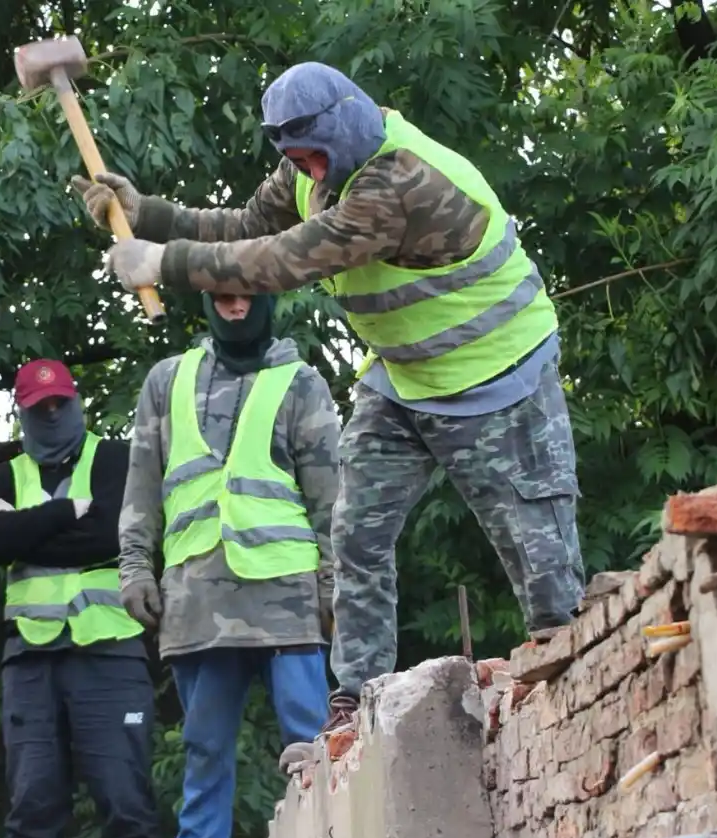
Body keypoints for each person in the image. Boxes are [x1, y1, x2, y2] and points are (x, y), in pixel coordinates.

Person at [73, 60, 587, 743]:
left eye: (312, 154)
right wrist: (149, 215)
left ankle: (575, 680)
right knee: (355, 533)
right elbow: (250, 224)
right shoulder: (312, 167)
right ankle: (356, 693)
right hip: (404, 376)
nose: (306, 171)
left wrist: (163, 262)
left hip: (498, 375)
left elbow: (282, 260)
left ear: (343, 125)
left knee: (535, 548)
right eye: (292, 158)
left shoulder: (398, 182)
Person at [116, 289, 340, 838]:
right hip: (197, 603)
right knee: (205, 758)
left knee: (314, 753)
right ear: (207, 302)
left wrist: (337, 584)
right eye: (222, 296)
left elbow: (334, 499)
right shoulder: (167, 381)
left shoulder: (301, 383)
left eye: (245, 296)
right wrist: (135, 567)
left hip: (288, 599)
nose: (234, 307)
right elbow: (141, 485)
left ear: (265, 299)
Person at [0, 358, 158, 838]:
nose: (51, 414)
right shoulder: (3, 476)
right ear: (22, 412)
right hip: (31, 659)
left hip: (110, 652)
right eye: (40, 406)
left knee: (126, 807)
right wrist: (65, 511)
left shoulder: (118, 460)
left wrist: (25, 528)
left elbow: (112, 536)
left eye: (60, 403)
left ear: (77, 403)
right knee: (32, 810)